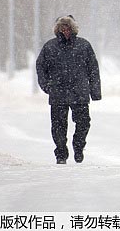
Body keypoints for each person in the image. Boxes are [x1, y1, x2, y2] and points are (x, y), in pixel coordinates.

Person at [35, 15, 102, 164]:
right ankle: (61, 153)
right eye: (62, 28)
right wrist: (46, 85)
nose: (65, 30)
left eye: (68, 28)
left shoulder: (84, 46)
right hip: (58, 93)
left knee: (84, 123)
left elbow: (93, 69)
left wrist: (95, 91)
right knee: (58, 126)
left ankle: (78, 147)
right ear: (58, 30)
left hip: (80, 93)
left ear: (73, 29)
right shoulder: (50, 47)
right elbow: (40, 67)